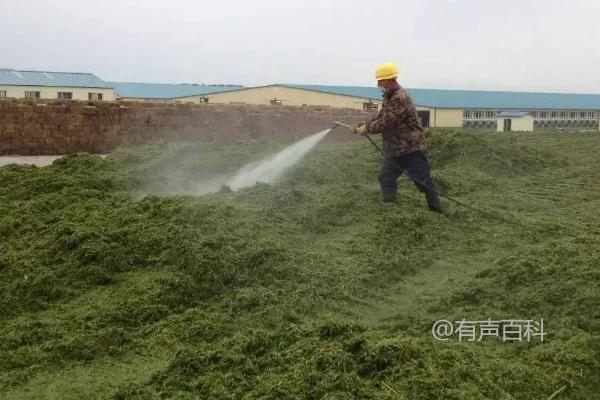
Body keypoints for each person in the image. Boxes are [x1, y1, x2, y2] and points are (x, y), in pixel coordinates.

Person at [352, 62, 442, 213]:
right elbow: (381, 117)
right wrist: (362, 126)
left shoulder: (399, 97)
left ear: (391, 80)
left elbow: (387, 122)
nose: (378, 84)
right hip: (395, 149)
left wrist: (367, 129)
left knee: (423, 182)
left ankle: (436, 211)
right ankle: (390, 209)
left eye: (381, 81)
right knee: (385, 177)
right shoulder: (389, 96)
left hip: (411, 148)